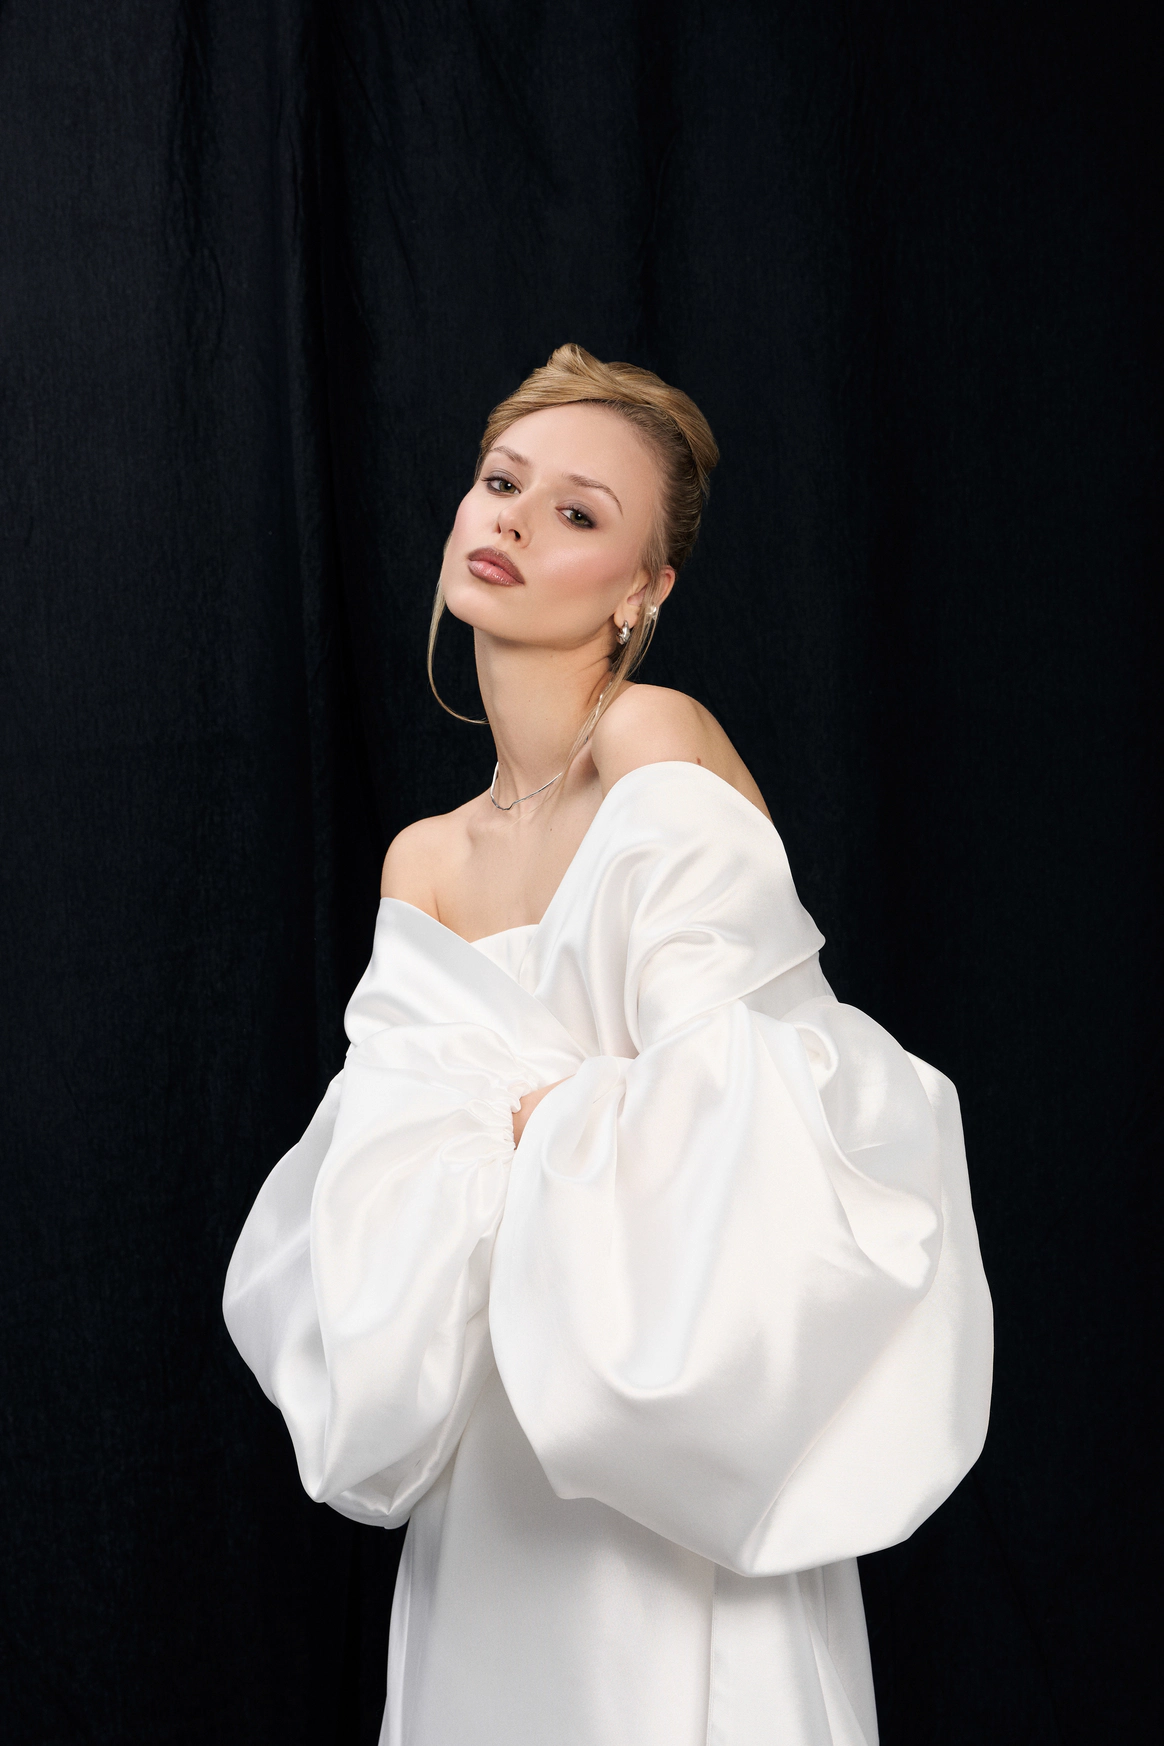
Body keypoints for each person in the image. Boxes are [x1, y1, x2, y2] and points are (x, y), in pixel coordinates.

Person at [223, 344, 993, 1746]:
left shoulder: (652, 737)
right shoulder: (422, 861)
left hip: (663, 1444)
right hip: (494, 1487)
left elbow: (743, 1116)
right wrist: (536, 1133)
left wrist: (532, 1137)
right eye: (500, 482)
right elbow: (368, 1210)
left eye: (578, 511)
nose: (513, 520)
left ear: (647, 589)